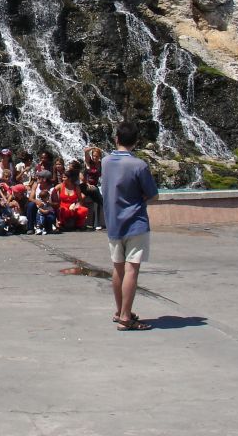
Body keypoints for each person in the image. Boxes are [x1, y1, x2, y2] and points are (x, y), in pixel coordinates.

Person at [101, 121, 159, 331]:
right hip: (136, 223)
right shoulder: (139, 165)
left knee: (117, 268)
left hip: (113, 223)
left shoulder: (106, 162)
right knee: (132, 269)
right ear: (136, 141)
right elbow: (153, 194)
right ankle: (126, 317)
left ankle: (119, 311)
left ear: (116, 139)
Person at [55, 164, 89, 232]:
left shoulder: (76, 187)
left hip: (73, 207)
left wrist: (77, 206)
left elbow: (80, 200)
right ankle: (62, 225)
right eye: (62, 177)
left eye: (64, 177)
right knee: (62, 210)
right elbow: (52, 193)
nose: (63, 179)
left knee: (84, 210)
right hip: (63, 207)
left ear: (69, 178)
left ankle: (78, 226)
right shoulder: (60, 186)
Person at [81, 149, 104, 230]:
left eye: (96, 156)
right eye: (93, 156)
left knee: (98, 199)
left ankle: (96, 223)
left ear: (99, 157)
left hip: (94, 186)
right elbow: (86, 151)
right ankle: (95, 223)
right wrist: (93, 147)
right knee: (97, 196)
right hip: (85, 185)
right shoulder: (89, 162)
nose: (95, 157)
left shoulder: (101, 164)